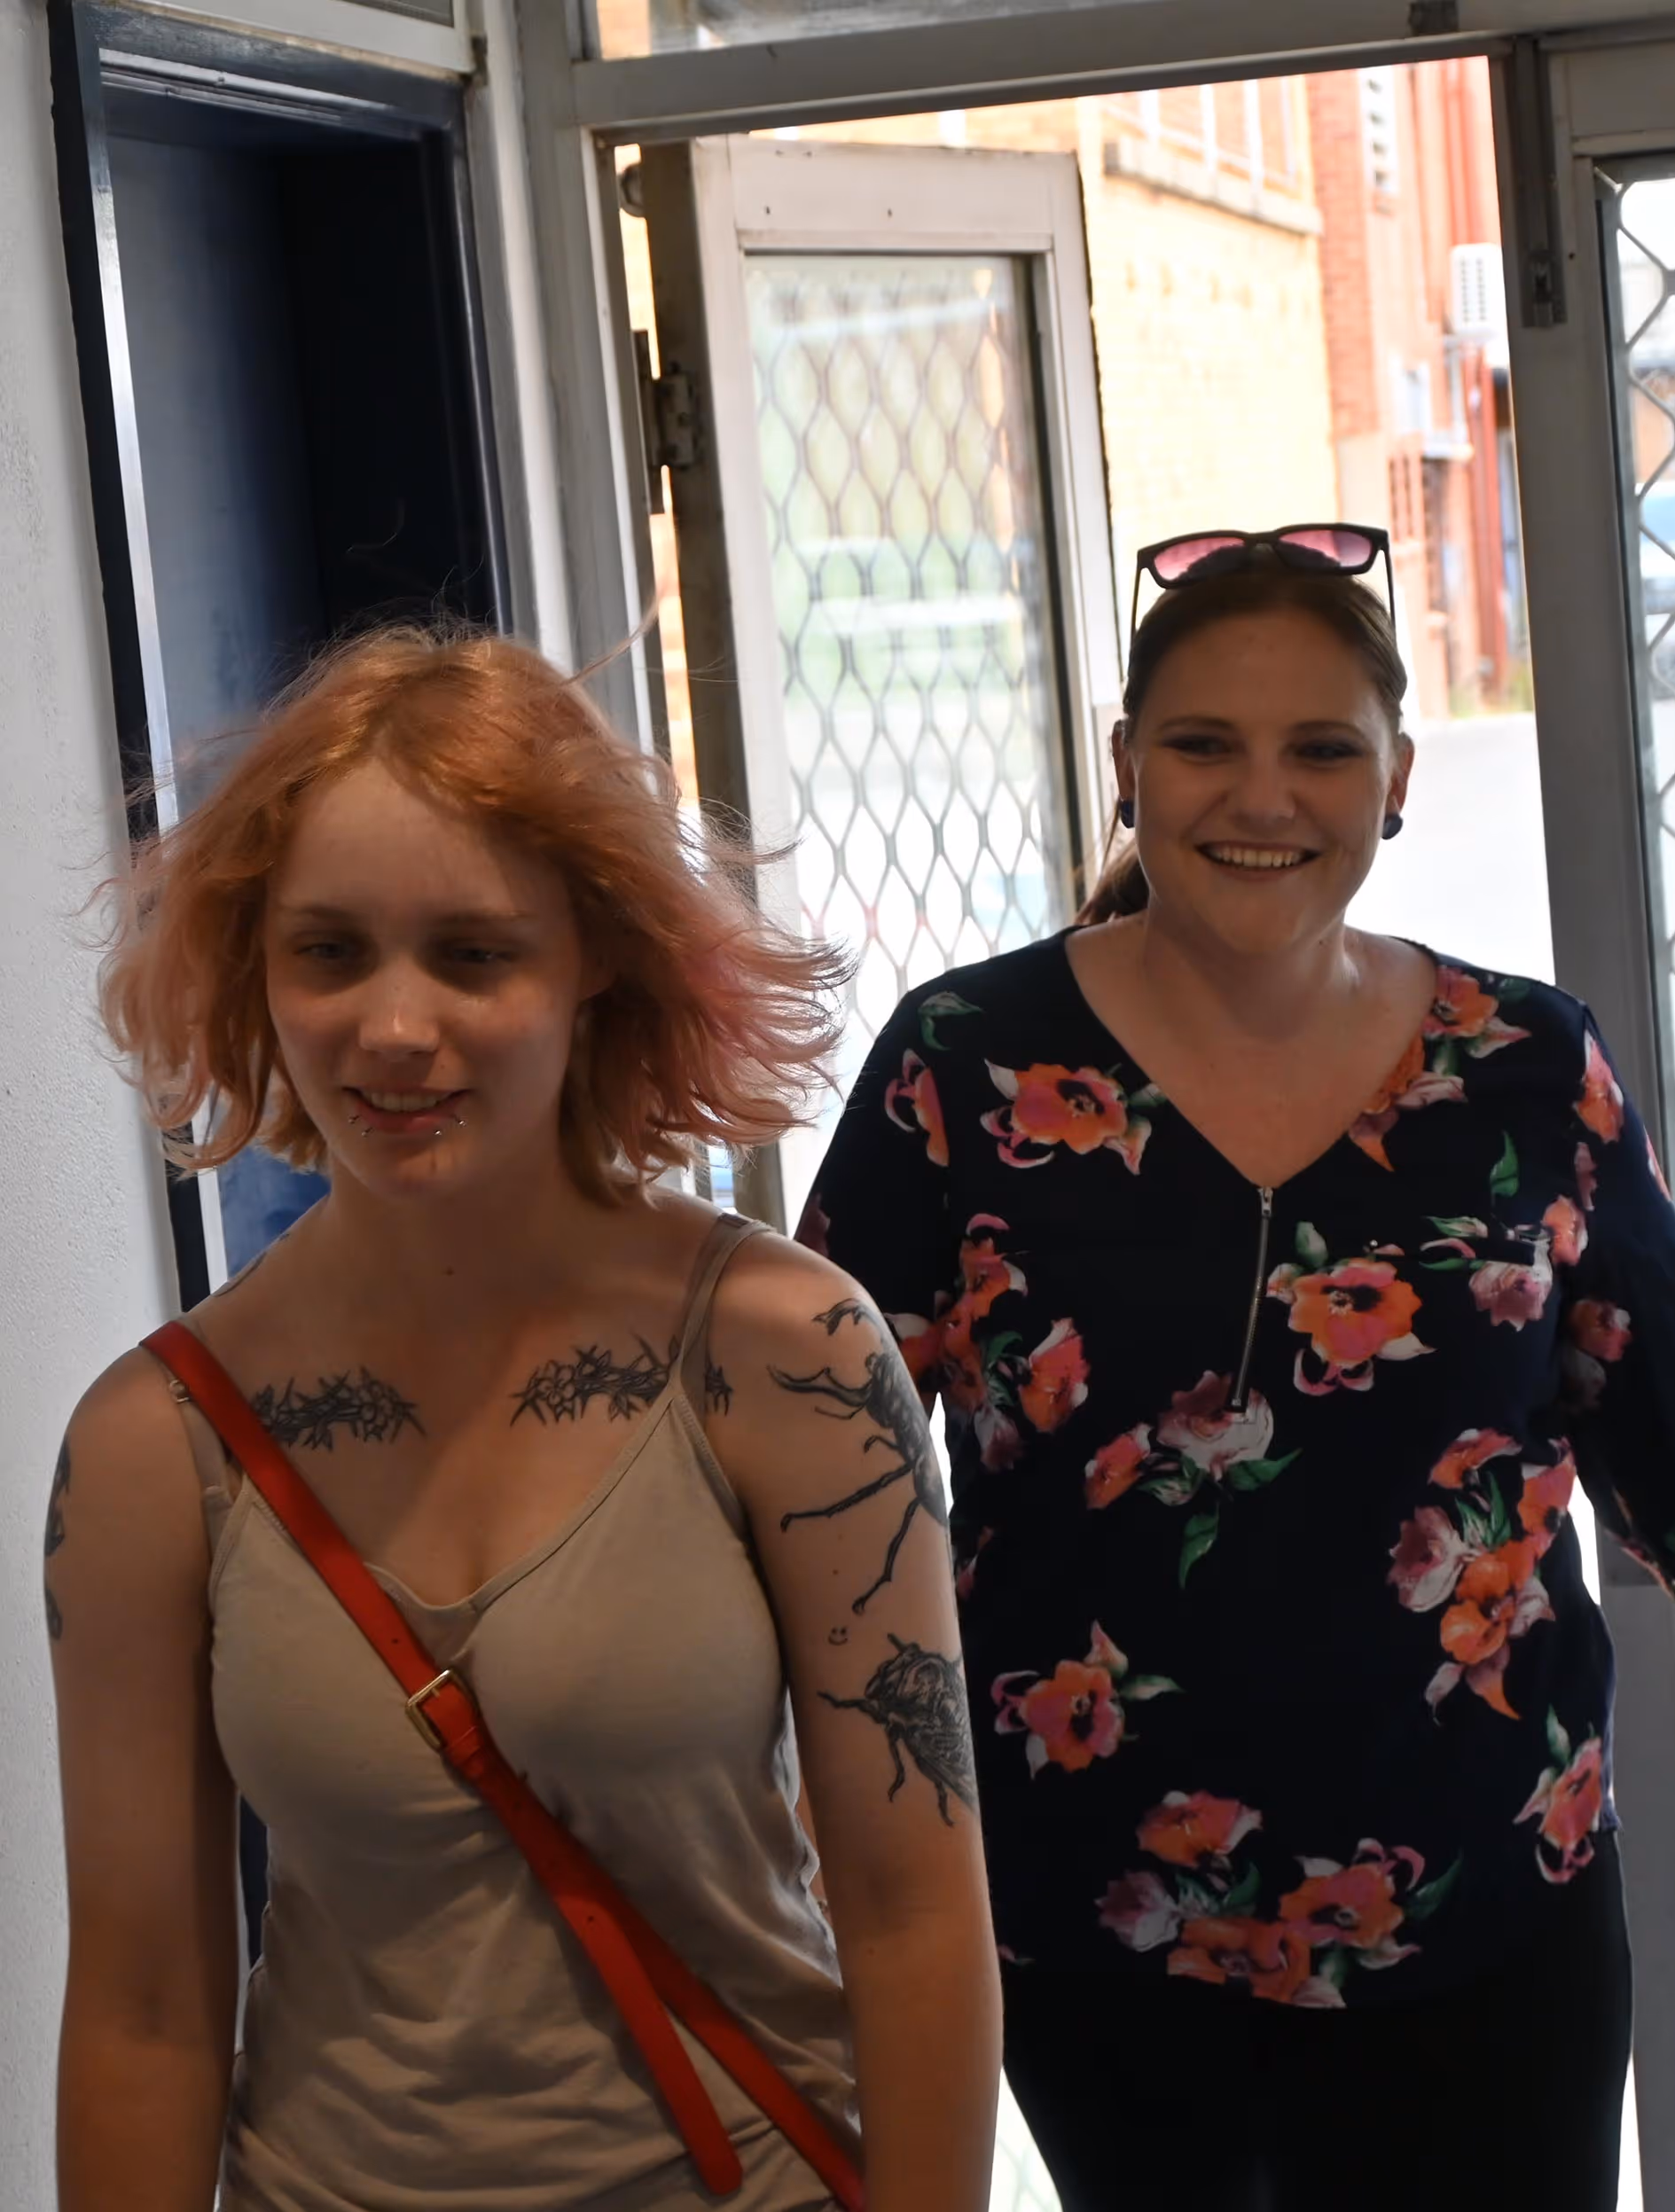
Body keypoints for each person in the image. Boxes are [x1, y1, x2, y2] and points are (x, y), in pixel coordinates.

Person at [800, 529, 1675, 2212]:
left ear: (1400, 779)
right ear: (1127, 763)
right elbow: (800, 1474)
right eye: (1204, 742)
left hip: (1490, 1902)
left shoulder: (1526, 1068)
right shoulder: (963, 1064)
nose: (1259, 795)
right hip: (1098, 1919)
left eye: (1321, 748)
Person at [46, 627, 1000, 2212]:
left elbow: (914, 1916)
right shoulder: (154, 1446)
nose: (394, 1028)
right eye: (329, 952)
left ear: (596, 959)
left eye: (473, 955)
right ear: (250, 968)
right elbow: (144, 2009)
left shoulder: (786, 1359)